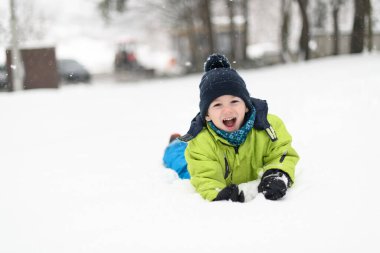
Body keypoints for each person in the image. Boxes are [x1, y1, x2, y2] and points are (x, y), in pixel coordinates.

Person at [163, 53, 299, 202]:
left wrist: (277, 173)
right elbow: (205, 178)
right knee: (182, 163)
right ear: (206, 115)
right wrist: (218, 194)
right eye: (217, 104)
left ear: (246, 106)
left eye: (234, 101)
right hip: (203, 155)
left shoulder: (268, 126)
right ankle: (174, 143)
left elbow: (281, 153)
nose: (227, 111)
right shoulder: (200, 143)